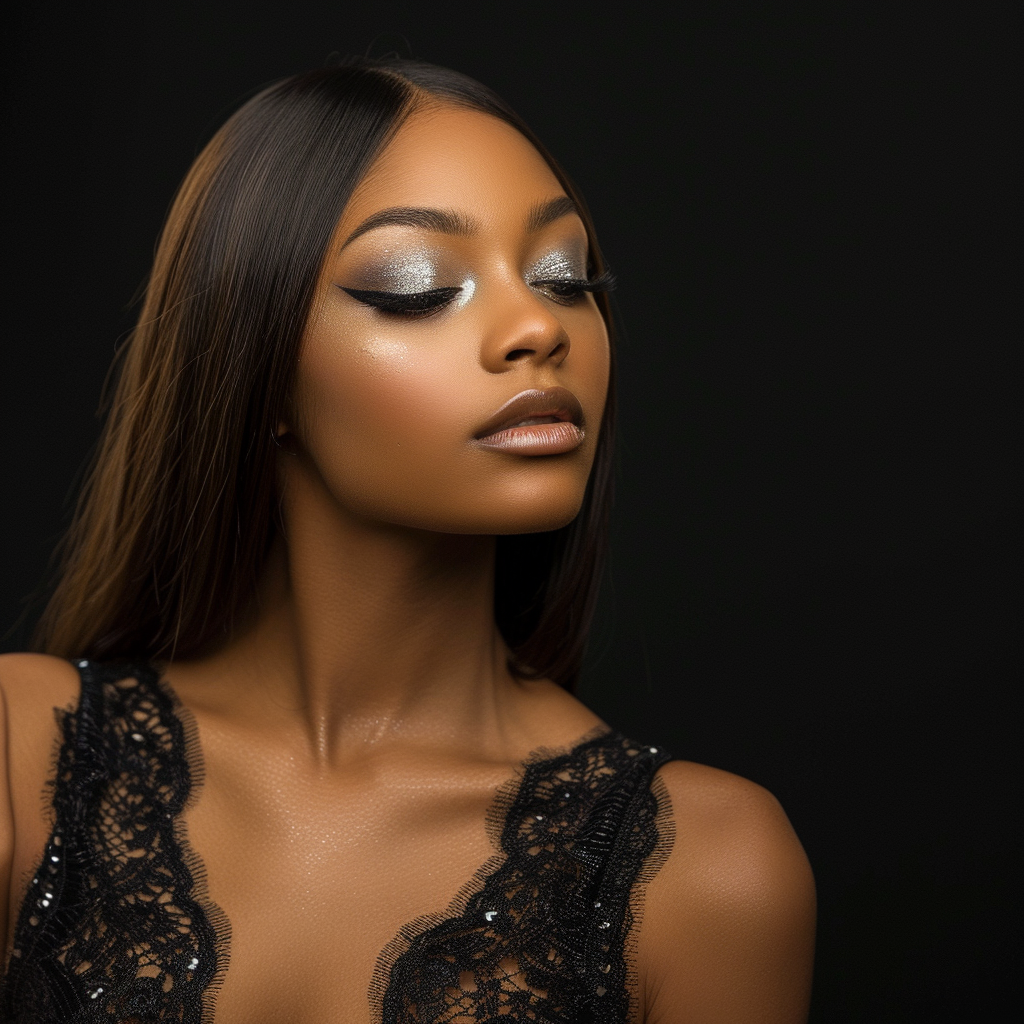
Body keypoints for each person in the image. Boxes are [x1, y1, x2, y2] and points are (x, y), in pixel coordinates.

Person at [0, 57, 815, 1023]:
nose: (536, 328)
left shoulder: (708, 871)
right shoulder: (23, 754)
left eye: (566, 276)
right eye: (417, 286)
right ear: (255, 362)